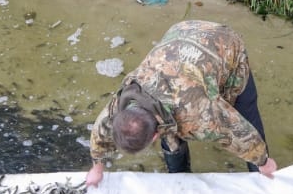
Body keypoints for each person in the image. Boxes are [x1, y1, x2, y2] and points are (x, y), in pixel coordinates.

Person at [84, 20, 277, 185]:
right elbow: (100, 134)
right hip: (180, 34)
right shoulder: (121, 103)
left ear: (153, 138)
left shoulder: (199, 114)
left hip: (223, 41)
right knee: (172, 132)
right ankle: (180, 178)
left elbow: (238, 131)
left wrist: (263, 161)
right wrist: (97, 169)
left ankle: (259, 176)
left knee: (245, 109)